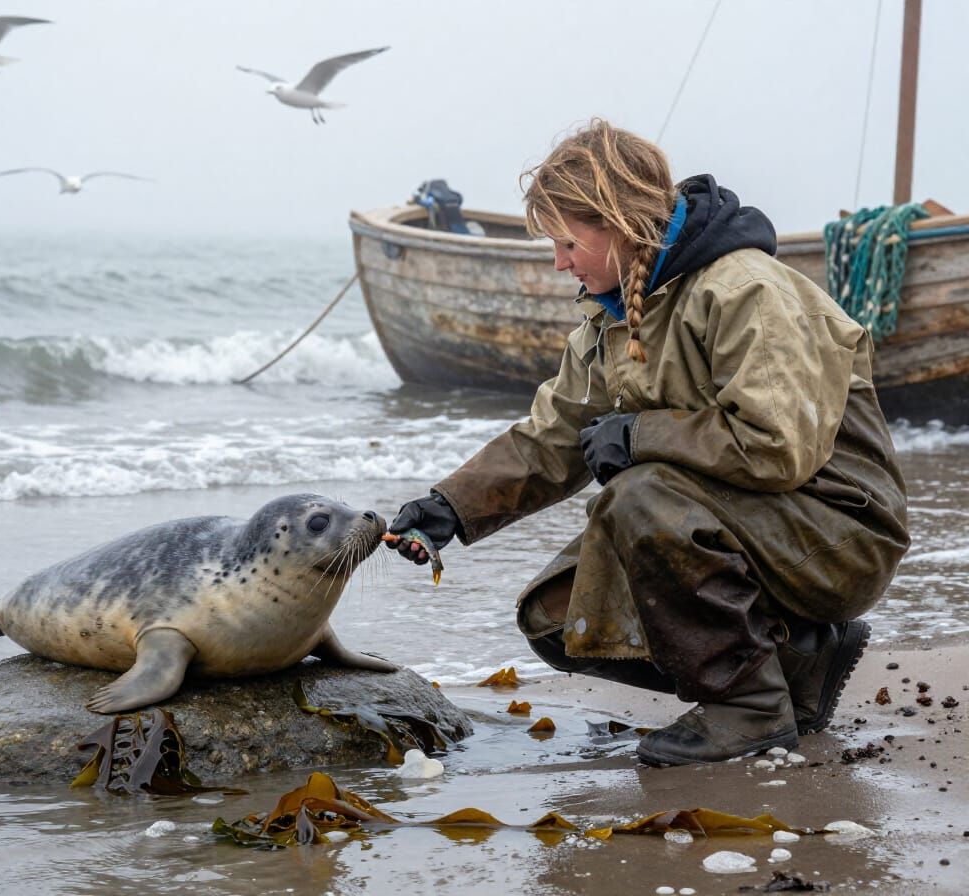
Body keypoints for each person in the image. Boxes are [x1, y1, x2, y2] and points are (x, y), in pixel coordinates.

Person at [385, 119, 910, 766]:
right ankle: (799, 662)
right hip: (759, 530)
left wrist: (640, 434)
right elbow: (551, 439)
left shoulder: (747, 290)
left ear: (618, 222)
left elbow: (779, 446)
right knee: (559, 622)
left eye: (566, 242)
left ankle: (746, 709)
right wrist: (450, 509)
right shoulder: (610, 317)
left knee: (639, 495)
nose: (558, 262)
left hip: (840, 534)